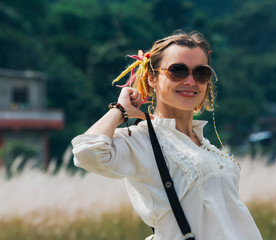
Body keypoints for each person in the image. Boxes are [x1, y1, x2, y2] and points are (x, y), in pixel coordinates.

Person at [71, 30, 262, 240]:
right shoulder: (142, 140)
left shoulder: (205, 145)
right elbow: (86, 152)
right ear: (152, 78)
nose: (190, 81)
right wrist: (120, 109)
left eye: (201, 73)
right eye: (177, 71)